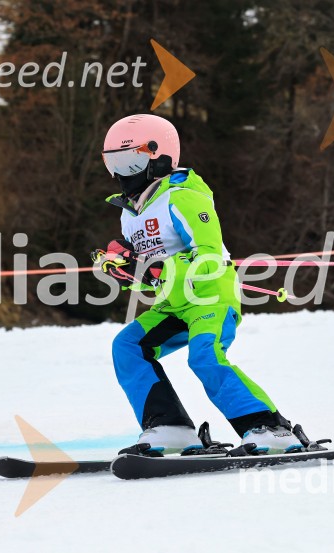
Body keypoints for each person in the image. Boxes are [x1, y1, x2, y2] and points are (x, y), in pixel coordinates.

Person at [97, 114, 302, 456]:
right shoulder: (129, 213)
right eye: (113, 163)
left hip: (210, 298)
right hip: (173, 305)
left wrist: (155, 269)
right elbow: (151, 274)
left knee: (205, 357)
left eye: (130, 161)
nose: (121, 173)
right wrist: (129, 269)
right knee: (128, 346)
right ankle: (170, 427)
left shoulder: (183, 197)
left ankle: (270, 428)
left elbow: (207, 254)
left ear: (158, 157)